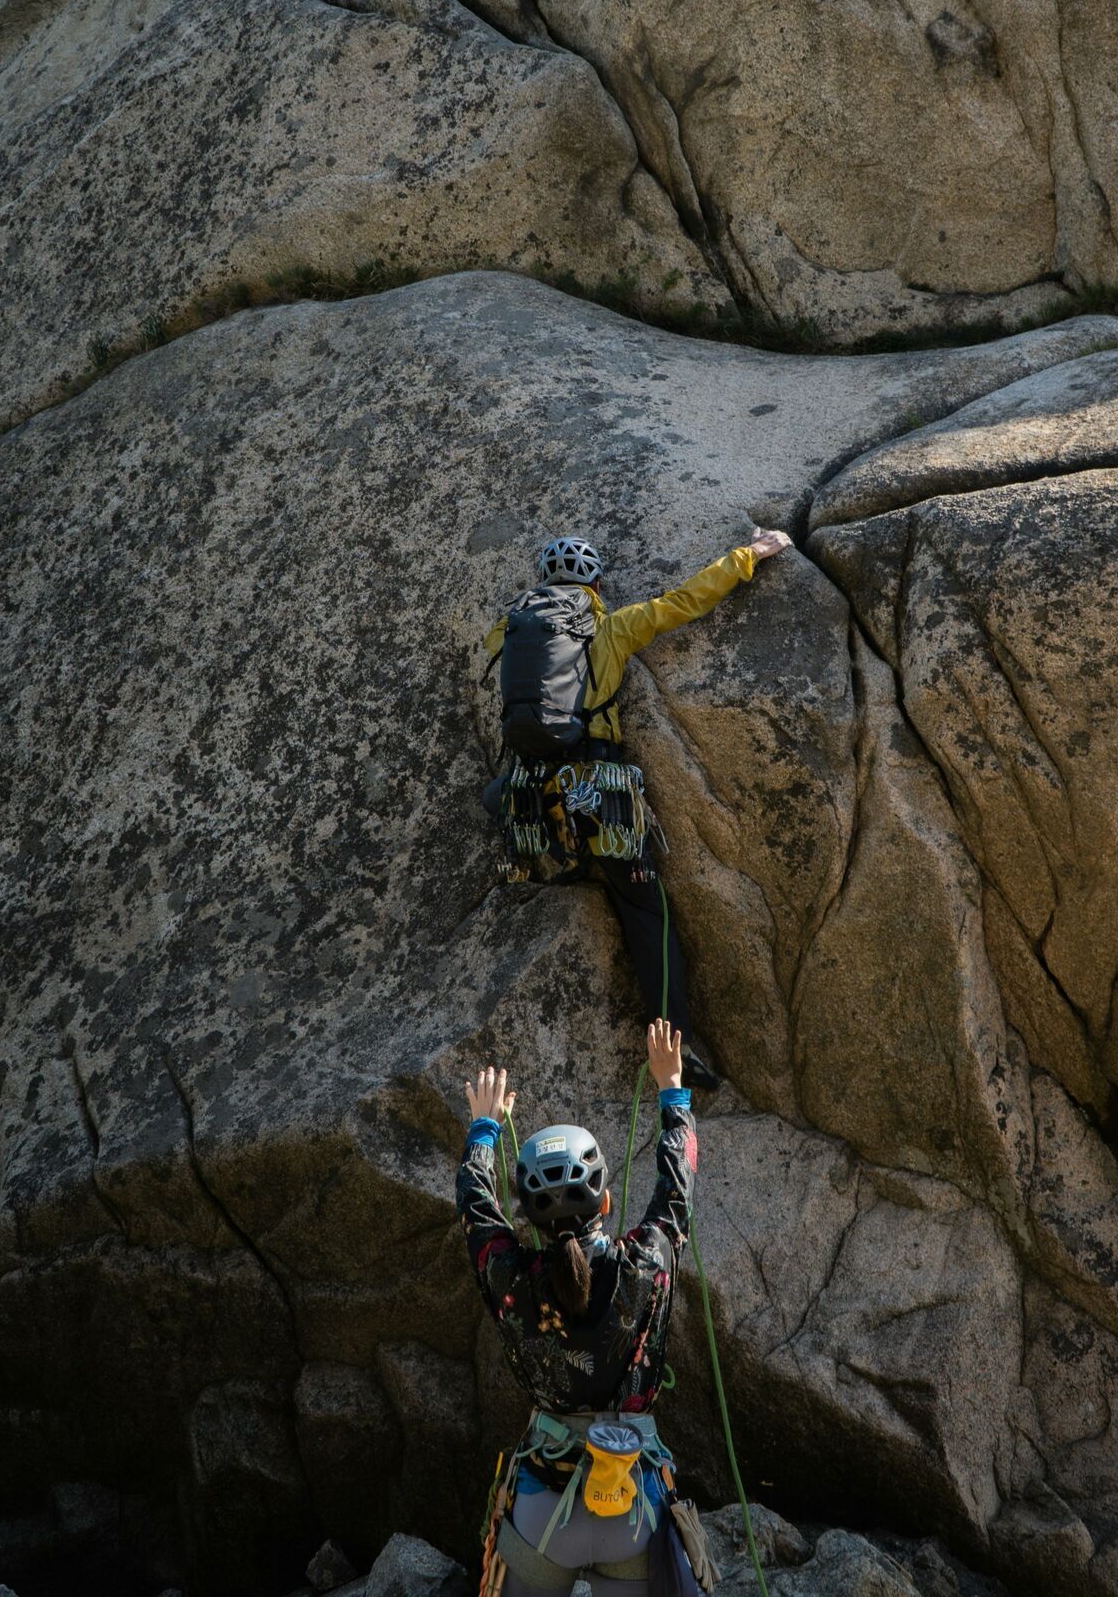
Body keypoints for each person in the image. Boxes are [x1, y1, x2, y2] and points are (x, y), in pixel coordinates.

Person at [484, 529, 792, 1090]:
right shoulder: (612, 628)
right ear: (597, 586)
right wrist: (751, 554)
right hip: (599, 797)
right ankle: (673, 1048)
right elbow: (686, 601)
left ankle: (564, 867)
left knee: (517, 822)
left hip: (533, 801)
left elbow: (496, 657)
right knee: (648, 913)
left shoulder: (510, 631)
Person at [457, 1021, 696, 1597]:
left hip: (543, 1508)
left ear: (530, 1220)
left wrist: (486, 1129)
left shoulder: (509, 1276)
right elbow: (677, 1186)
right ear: (606, 1201)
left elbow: (475, 1205)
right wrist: (673, 1090)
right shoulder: (645, 1264)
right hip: (633, 1508)